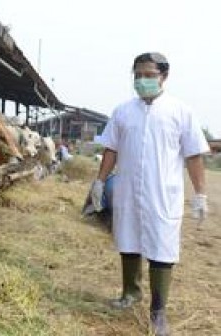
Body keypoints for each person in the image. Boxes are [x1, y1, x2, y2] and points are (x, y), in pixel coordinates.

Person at [90, 52, 209, 336]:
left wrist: (201, 193)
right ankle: (130, 293)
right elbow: (111, 149)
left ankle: (158, 311)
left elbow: (194, 155)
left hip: (162, 192)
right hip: (128, 188)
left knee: (161, 246)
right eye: (138, 75)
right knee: (128, 239)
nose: (142, 80)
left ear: (163, 77)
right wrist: (99, 181)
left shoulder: (180, 112)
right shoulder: (122, 111)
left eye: (149, 75)